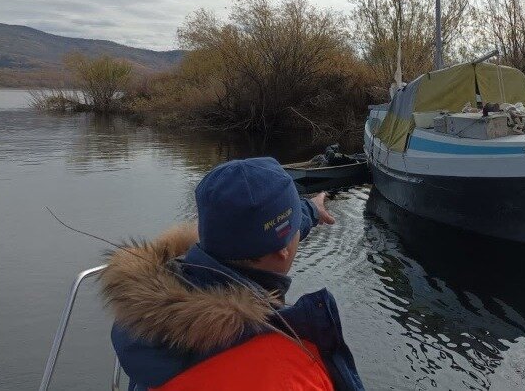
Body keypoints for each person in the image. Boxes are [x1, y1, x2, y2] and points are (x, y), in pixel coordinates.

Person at [100, 157, 364, 391]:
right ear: (284, 249)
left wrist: (309, 212)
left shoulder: (148, 320)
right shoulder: (292, 372)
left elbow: (269, 230)